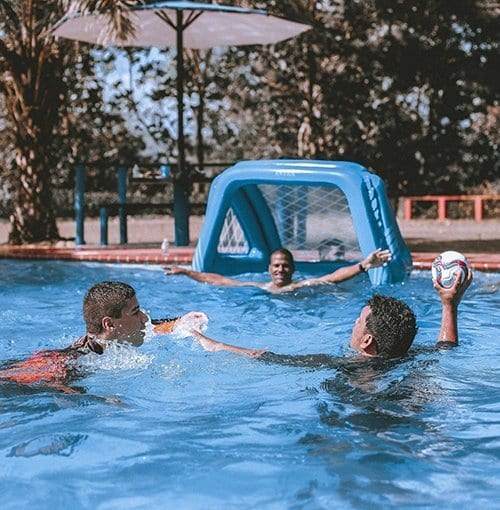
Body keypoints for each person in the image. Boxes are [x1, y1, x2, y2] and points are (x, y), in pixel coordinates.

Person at [183, 269, 473, 362]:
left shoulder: (344, 367)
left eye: (358, 321)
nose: (353, 323)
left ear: (367, 340)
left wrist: (213, 344)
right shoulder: (408, 356)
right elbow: (445, 348)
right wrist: (450, 304)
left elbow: (267, 356)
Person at [0, 281, 188, 392]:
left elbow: (151, 325)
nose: (144, 318)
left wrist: (180, 322)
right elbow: (53, 387)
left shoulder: (101, 344)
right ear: (110, 324)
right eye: (135, 312)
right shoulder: (75, 362)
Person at [165, 247, 392, 294]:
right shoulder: (260, 287)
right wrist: (187, 272)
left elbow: (332, 278)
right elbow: (219, 280)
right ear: (269, 269)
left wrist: (364, 265)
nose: (280, 269)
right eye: (276, 265)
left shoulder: (301, 286)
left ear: (292, 269)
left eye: (285, 265)